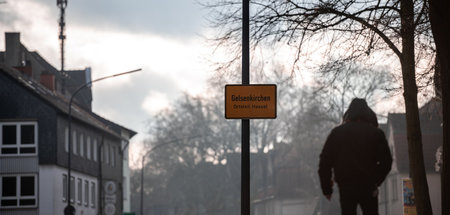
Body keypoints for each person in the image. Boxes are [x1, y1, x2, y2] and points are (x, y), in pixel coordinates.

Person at [318, 98, 392, 215]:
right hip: (368, 185)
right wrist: (376, 180)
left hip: (346, 186)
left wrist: (327, 188)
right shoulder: (376, 134)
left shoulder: (337, 133)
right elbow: (387, 162)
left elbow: (325, 162)